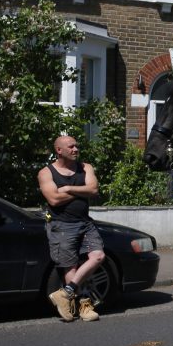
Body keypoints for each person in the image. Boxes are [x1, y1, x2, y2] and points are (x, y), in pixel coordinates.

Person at [37, 135, 105, 322]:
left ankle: (65, 293)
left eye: (76, 146)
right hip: (62, 225)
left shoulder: (85, 167)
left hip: (85, 222)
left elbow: (93, 190)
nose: (76, 149)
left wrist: (67, 188)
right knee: (70, 265)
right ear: (59, 150)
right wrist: (79, 190)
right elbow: (54, 199)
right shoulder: (46, 173)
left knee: (98, 256)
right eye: (71, 147)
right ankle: (83, 305)